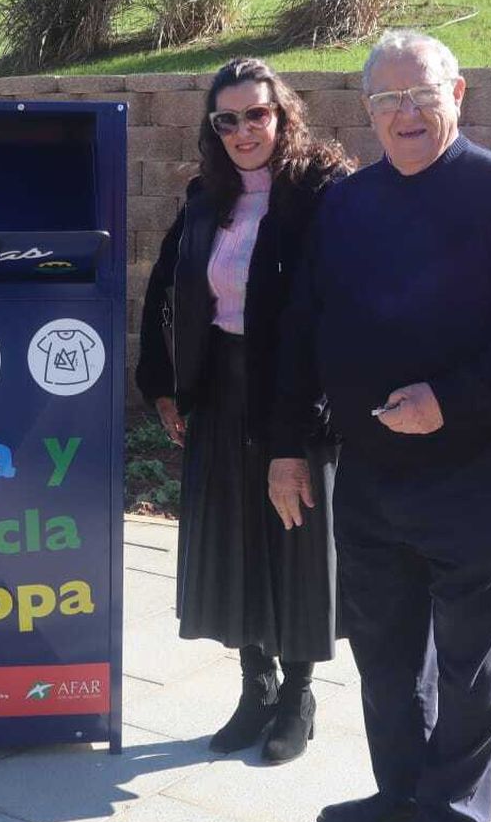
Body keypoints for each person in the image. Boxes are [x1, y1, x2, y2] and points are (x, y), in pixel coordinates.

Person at [269, 30, 491, 822]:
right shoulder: (348, 204)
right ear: (366, 112)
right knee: (385, 643)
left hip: (482, 465)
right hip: (371, 468)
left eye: (420, 95)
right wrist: (288, 444)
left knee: (472, 653)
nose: (404, 114)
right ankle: (401, 788)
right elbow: (303, 327)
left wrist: (450, 398)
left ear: (458, 94)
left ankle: (452, 817)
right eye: (385, 100)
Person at [136, 57, 352, 764]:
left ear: (282, 113)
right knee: (232, 538)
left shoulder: (321, 192)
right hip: (222, 387)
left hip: (294, 390)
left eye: (255, 114)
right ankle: (253, 686)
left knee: (292, 537)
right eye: (225, 119)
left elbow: (337, 306)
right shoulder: (208, 194)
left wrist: (315, 409)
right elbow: (168, 285)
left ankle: (297, 695)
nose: (241, 130)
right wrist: (165, 380)